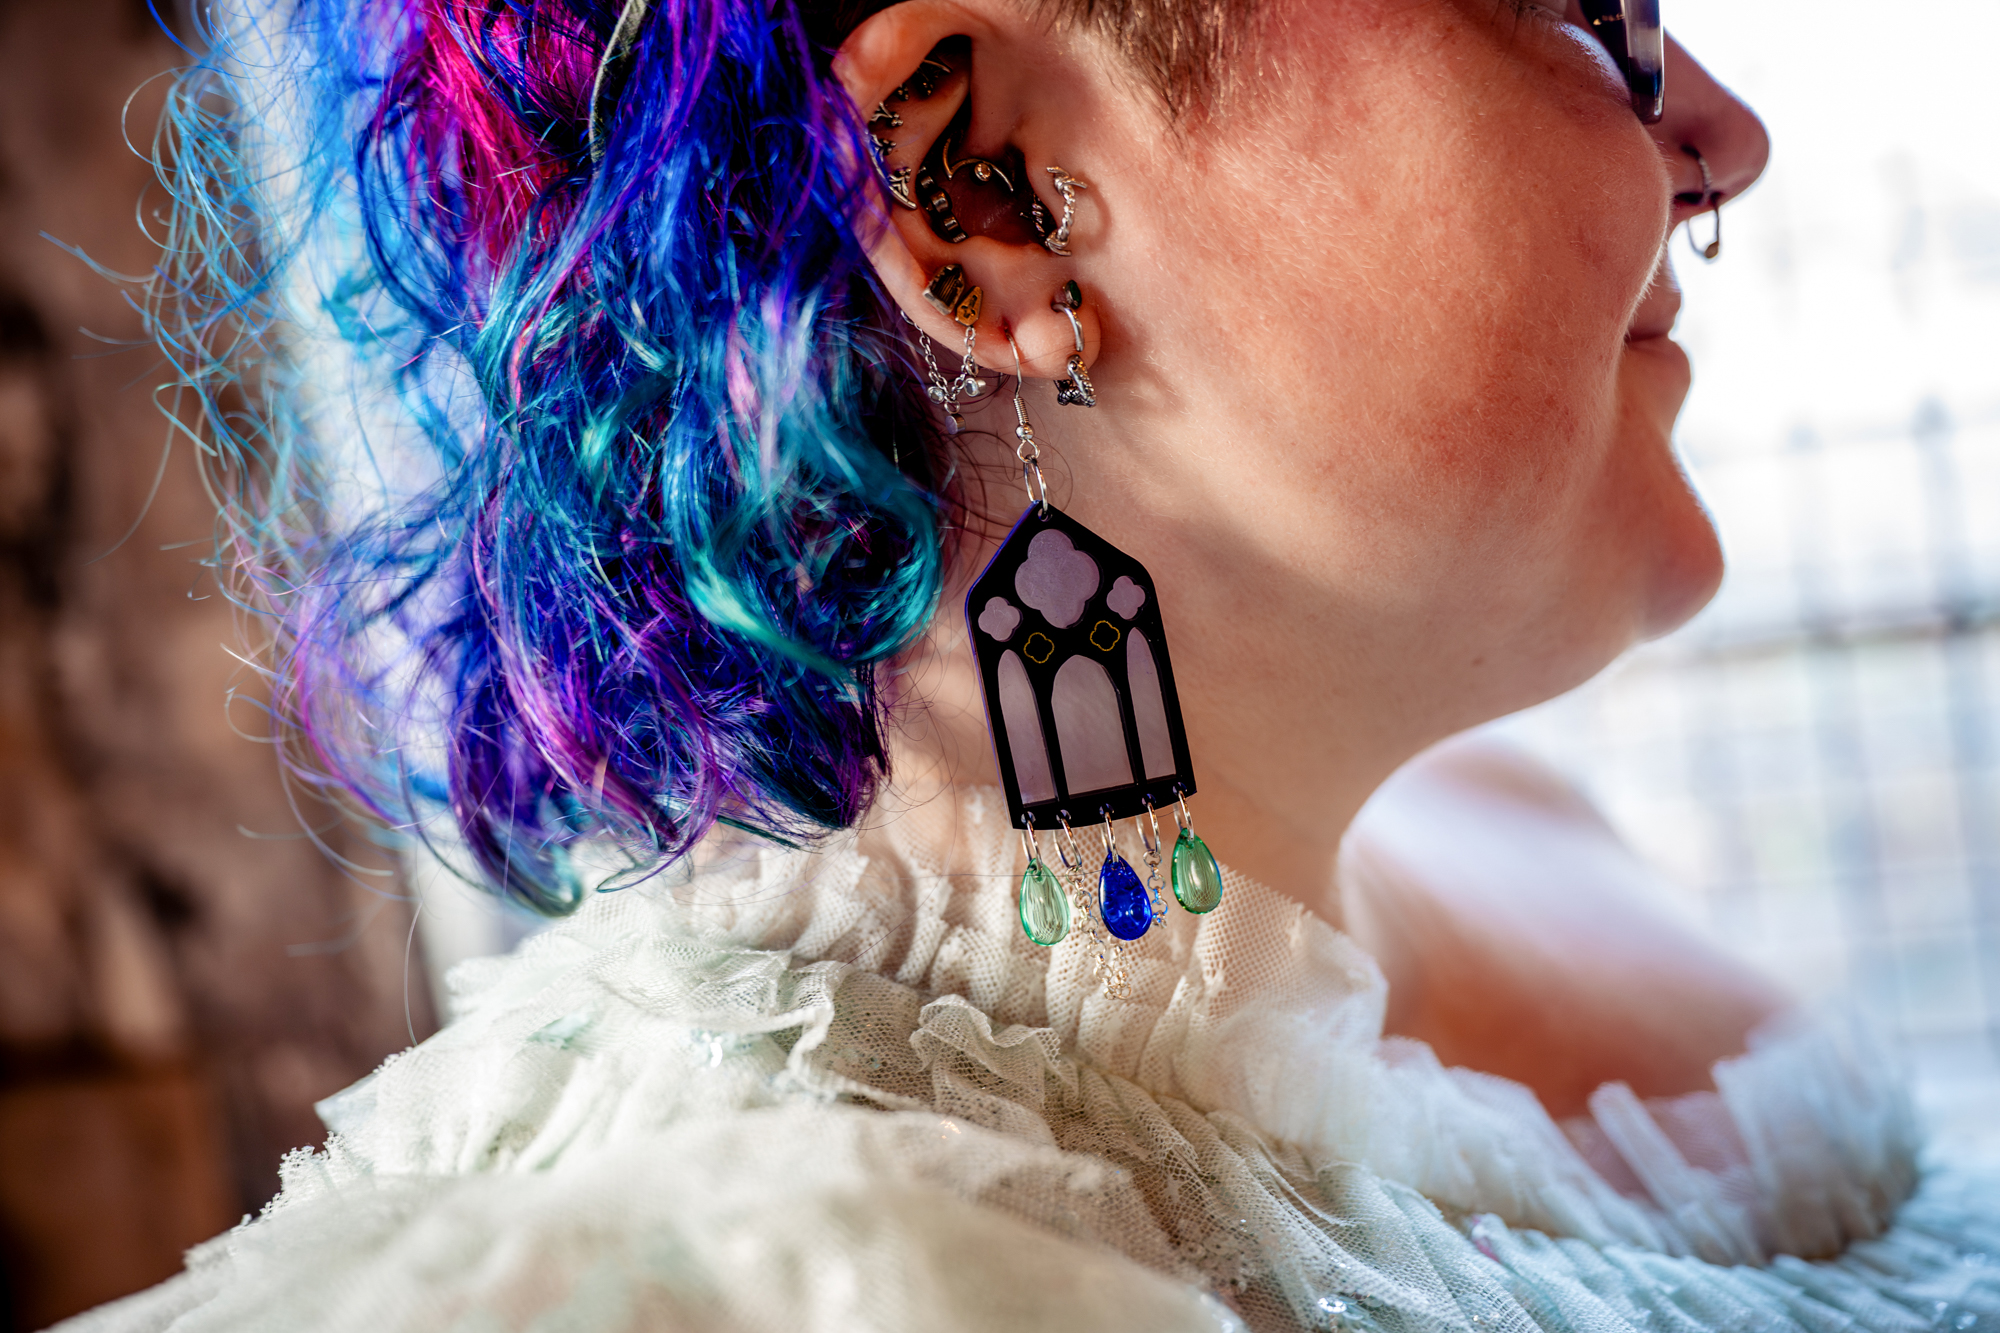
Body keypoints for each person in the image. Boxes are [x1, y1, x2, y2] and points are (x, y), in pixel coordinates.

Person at [59, 0, 1998, 1329]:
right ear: (977, 189)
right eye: (1586, 8)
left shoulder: (1524, 820)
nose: (1725, 135)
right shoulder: (827, 1252)